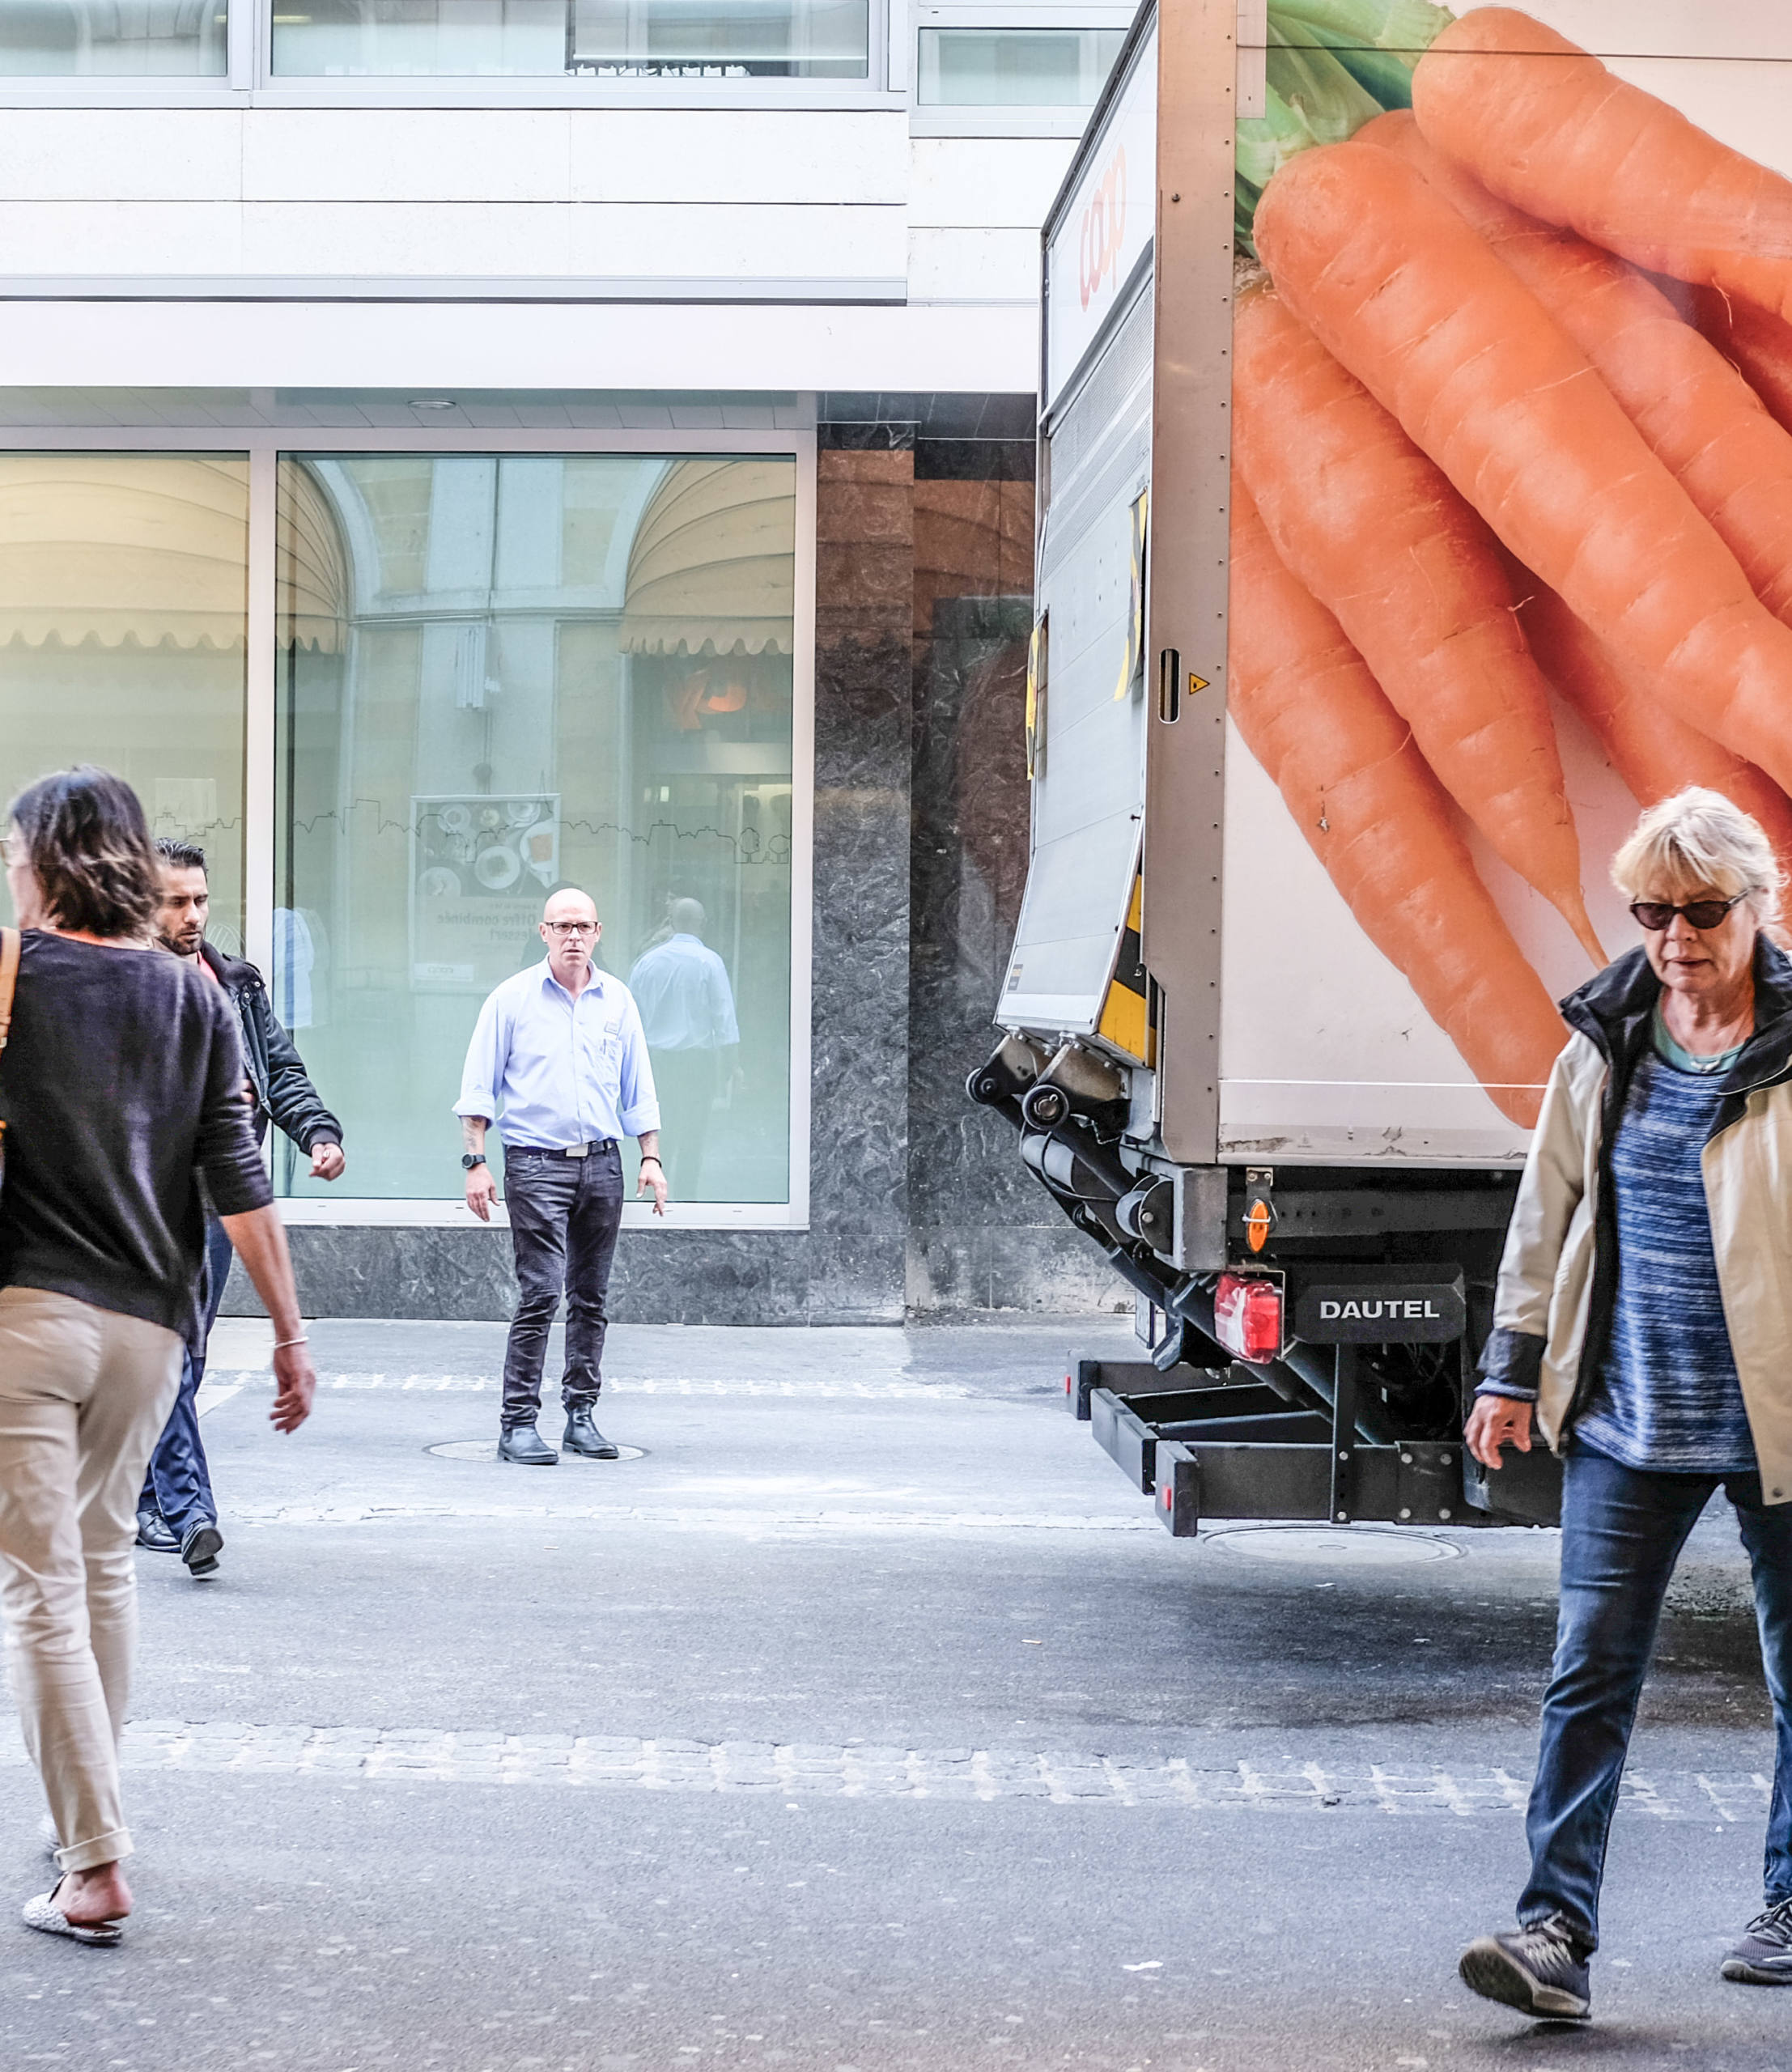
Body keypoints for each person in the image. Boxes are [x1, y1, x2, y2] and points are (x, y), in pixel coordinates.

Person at [1460, 788, 1792, 2022]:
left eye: (1701, 910)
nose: (1674, 937)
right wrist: (1507, 1370)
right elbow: (1544, 1214)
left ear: (1757, 905)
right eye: (1651, 911)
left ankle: (1790, 1903)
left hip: (1780, 1422)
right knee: (1586, 1674)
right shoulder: (1606, 1040)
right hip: (1624, 1417)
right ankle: (1553, 1931)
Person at [0, 767, 316, 1946]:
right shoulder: (193, 993)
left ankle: (94, 1866)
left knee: (40, 1589)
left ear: (45, 856)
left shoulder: (12, 968)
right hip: (151, 1329)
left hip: (26, 1314)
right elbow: (239, 1176)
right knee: (101, 1571)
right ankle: (91, 1810)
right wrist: (286, 1333)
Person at [136, 839, 345, 1577]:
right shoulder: (125, 986)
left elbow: (278, 1070)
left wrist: (317, 1129)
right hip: (148, 1198)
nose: (192, 914)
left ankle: (144, 1496)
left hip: (221, 1192)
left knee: (181, 1353)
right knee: (172, 1352)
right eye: (176, 901)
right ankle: (191, 1511)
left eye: (200, 899)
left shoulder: (237, 985)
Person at [456, 886, 668, 1465]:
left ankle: (581, 1416)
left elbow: (638, 1088)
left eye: (584, 926)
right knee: (541, 1292)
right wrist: (475, 1162)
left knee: (591, 1297)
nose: (573, 936)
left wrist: (649, 1156)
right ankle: (518, 1422)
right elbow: (478, 1088)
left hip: (603, 1164)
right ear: (543, 932)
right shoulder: (511, 1000)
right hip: (535, 1165)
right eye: (562, 926)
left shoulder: (618, 1001)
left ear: (599, 932)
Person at [628, 897, 740, 1199]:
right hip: (696, 1063)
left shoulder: (647, 964)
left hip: (656, 1062)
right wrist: (731, 1065)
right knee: (693, 1132)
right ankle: (686, 1197)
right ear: (702, 924)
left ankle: (652, 1193)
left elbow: (630, 1019)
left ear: (672, 923)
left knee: (658, 1129)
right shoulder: (709, 962)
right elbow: (724, 1019)